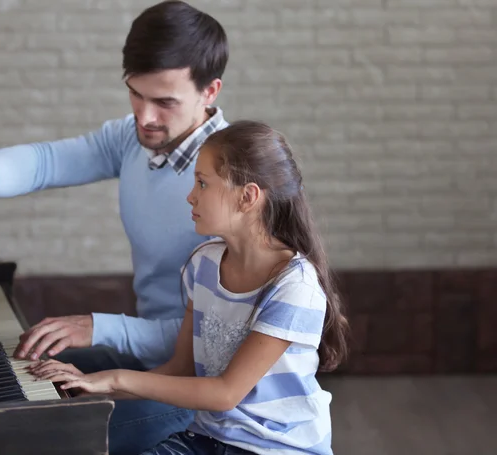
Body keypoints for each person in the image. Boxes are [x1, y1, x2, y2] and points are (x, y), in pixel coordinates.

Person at [0, 1, 230, 453]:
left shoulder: (229, 180)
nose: (144, 117)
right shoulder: (134, 137)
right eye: (135, 93)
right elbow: (50, 160)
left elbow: (217, 335)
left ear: (210, 92)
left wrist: (97, 327)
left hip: (195, 389)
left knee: (31, 437)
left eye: (164, 102)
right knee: (8, 375)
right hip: (145, 359)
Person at [29, 120, 350, 455]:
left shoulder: (294, 285)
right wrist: (90, 385)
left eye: (202, 183)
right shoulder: (205, 264)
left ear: (248, 196)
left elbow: (226, 394)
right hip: (207, 440)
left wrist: (112, 378)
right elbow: (179, 370)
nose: (190, 196)